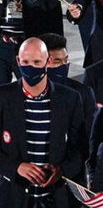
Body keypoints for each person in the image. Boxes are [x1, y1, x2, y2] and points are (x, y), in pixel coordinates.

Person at [0, 38, 87, 208]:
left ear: (47, 62)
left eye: (37, 62)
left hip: (57, 198)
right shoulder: (3, 97)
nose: (30, 67)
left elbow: (81, 148)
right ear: (18, 61)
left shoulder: (69, 98)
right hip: (14, 197)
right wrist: (16, 167)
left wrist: (62, 170)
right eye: (25, 62)